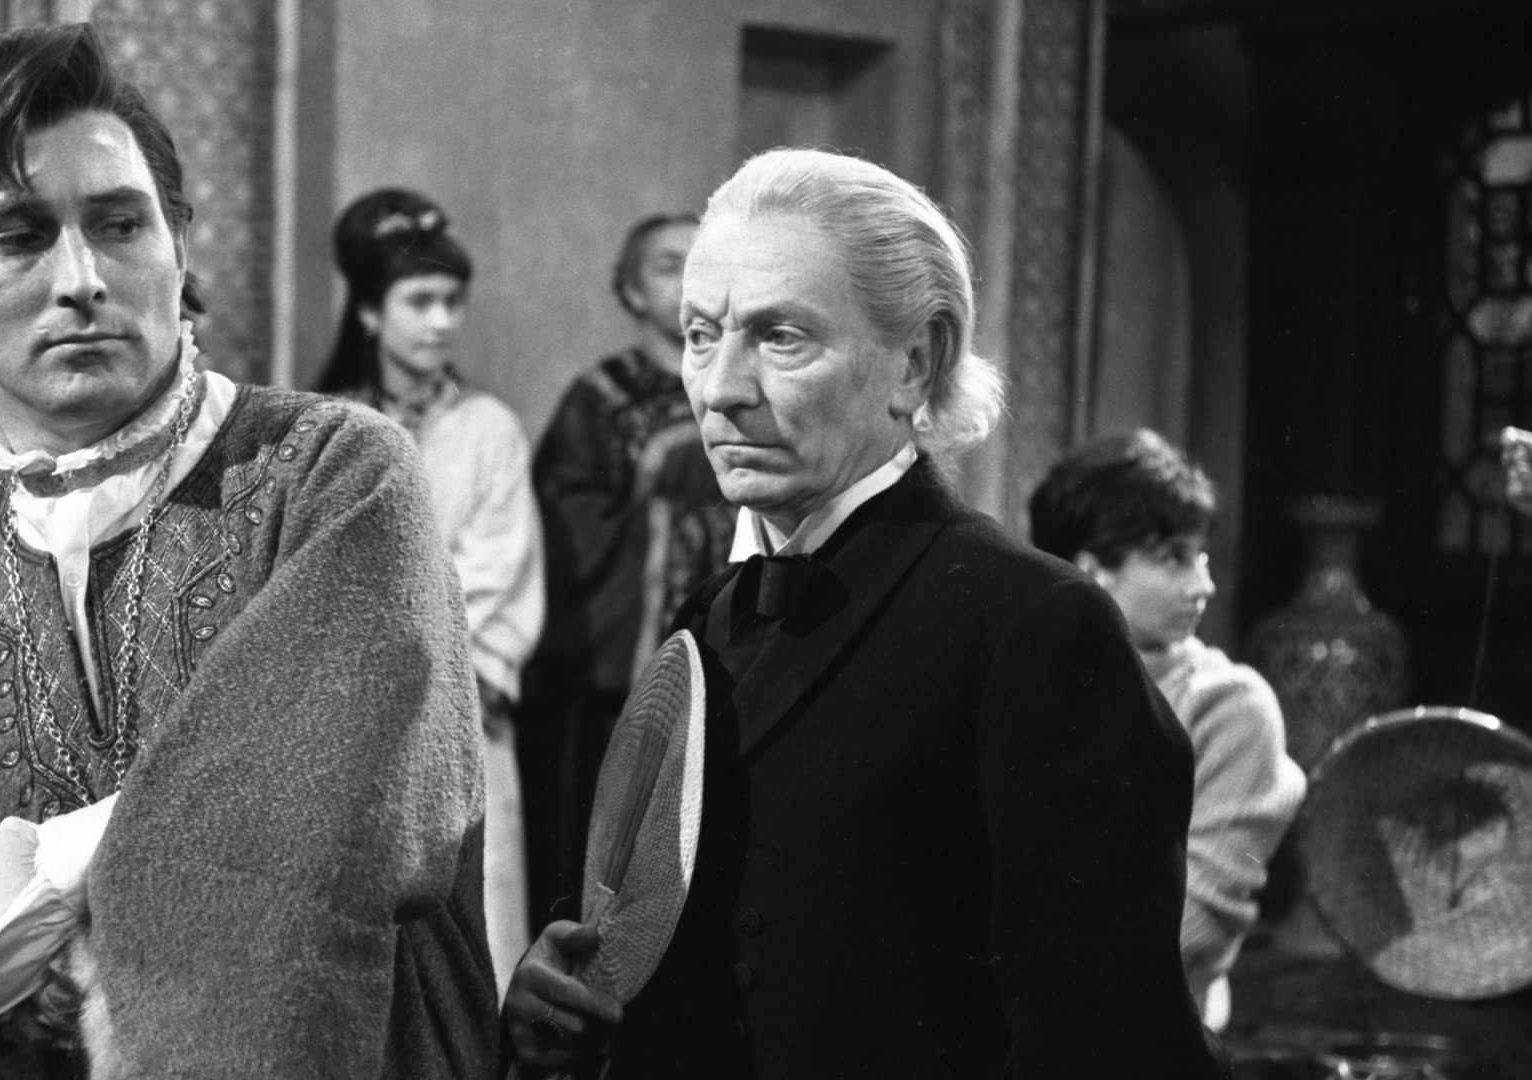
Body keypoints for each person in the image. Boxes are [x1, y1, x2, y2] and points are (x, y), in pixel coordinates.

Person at [0, 25, 495, 1079]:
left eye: (120, 223)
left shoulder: (337, 475)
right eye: (18, 236)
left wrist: (19, 898)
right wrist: (49, 895)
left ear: (178, 248)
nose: (83, 278)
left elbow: (329, 818)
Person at [502, 148, 1228, 1078]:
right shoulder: (710, 615)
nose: (720, 387)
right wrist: (568, 1004)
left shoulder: (1034, 623)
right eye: (700, 334)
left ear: (916, 365)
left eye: (780, 337)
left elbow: (1107, 1042)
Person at [316, 188, 545, 1001]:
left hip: (458, 710)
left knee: (473, 922)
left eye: (453, 301)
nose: (442, 321)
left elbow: (498, 574)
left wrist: (421, 667)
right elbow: (317, 576)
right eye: (420, 301)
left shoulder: (490, 430)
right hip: (349, 717)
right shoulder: (328, 430)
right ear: (370, 312)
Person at [1029, 428, 1306, 1032]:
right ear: (1093, 569)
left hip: (1142, 1034)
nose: (1204, 585)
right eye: (1175, 558)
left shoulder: (1229, 705)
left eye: (1201, 557)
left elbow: (1197, 920)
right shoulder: (1016, 679)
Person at [522, 213, 735, 929]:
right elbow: (568, 523)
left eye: (701, 262)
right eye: (667, 265)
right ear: (631, 291)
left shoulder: (740, 386)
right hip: (620, 675)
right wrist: (688, 532)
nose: (687, 278)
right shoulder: (602, 397)